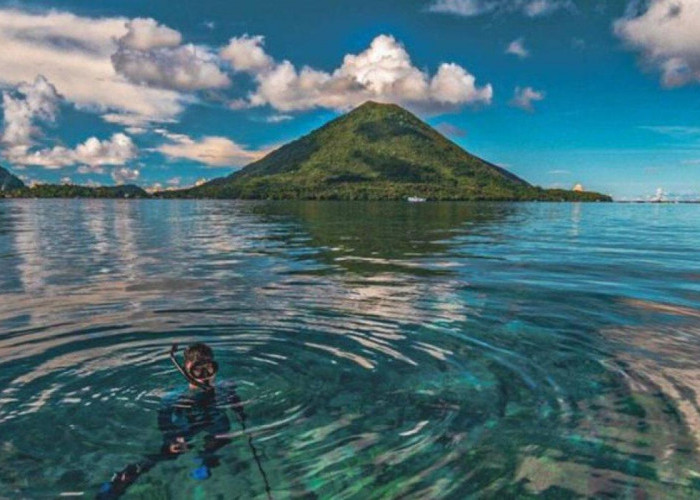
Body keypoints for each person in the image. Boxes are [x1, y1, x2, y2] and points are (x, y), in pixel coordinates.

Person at [97, 343, 244, 499]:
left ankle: (206, 459)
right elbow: (164, 419)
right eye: (197, 370)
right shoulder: (173, 397)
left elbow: (236, 403)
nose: (204, 375)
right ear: (186, 371)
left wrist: (240, 411)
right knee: (168, 453)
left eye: (209, 369)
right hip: (185, 426)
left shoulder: (226, 387)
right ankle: (121, 481)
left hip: (214, 421)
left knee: (221, 437)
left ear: (215, 367)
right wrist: (172, 437)